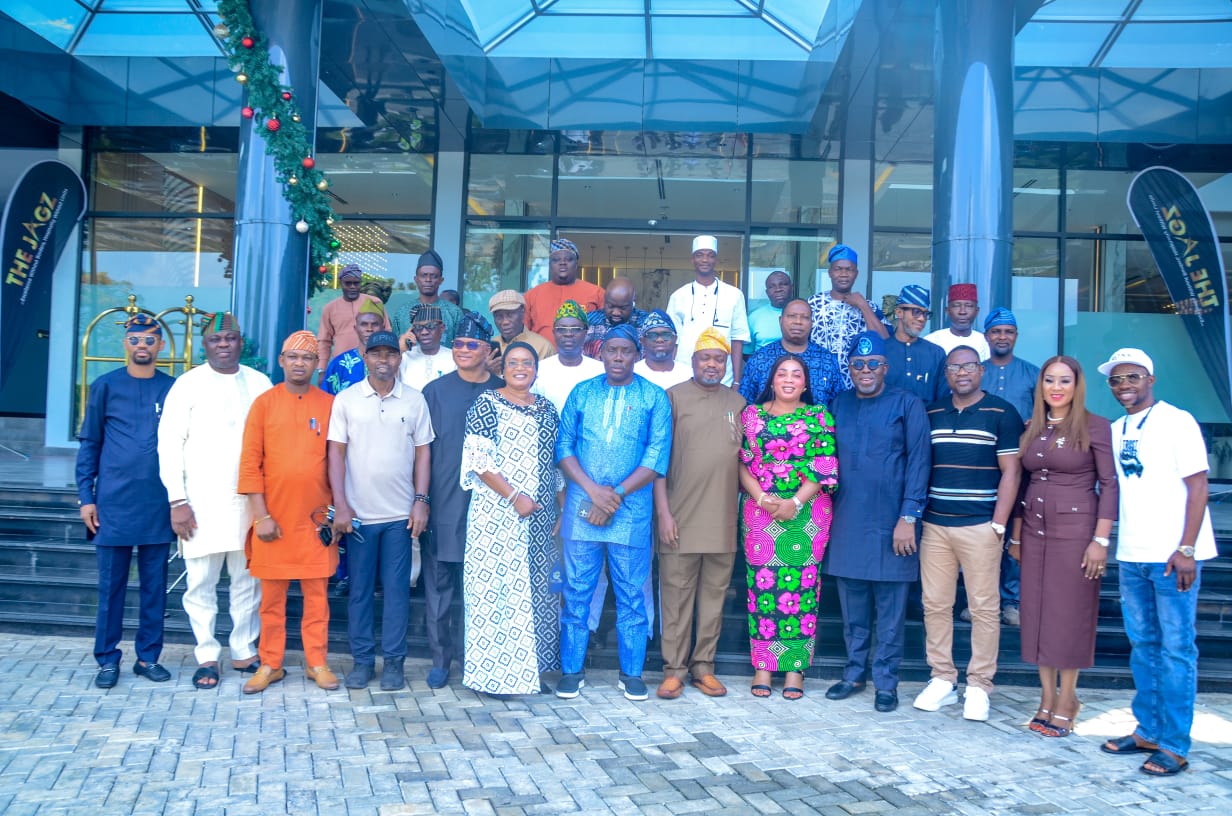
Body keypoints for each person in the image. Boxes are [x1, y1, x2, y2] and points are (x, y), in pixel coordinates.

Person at [1098, 348, 1217, 777]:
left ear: (1150, 379)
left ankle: (1174, 745)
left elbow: (1198, 487)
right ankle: (1148, 731)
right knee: (1144, 647)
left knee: (1177, 650)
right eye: (1116, 379)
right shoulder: (1115, 429)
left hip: (1172, 556)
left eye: (1132, 376)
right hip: (1132, 554)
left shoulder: (1177, 421)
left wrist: (1187, 548)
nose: (1124, 385)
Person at [555, 325, 672, 702]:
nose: (618, 357)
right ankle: (572, 670)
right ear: (600, 353)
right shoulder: (582, 392)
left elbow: (656, 456)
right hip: (582, 507)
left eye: (625, 351)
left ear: (638, 354)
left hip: (631, 510)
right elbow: (563, 447)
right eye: (611, 350)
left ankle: (631, 673)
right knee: (576, 592)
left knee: (632, 595)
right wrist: (594, 492)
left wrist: (615, 495)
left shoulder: (654, 397)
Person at [158, 312, 272, 690]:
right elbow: (169, 445)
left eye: (230, 338)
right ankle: (207, 654)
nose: (223, 344)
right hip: (200, 503)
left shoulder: (259, 383)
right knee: (201, 582)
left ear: (240, 341)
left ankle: (243, 649)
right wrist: (177, 500)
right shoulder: (187, 385)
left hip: (249, 501)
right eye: (215, 339)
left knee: (247, 580)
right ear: (205, 345)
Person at [1008, 356, 1116, 736]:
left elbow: (1110, 484)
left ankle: (1068, 699)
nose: (1056, 388)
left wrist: (1100, 540)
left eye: (1065, 381)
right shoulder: (1033, 428)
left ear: (1077, 385)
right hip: (1034, 531)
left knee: (1068, 617)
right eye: (1049, 380)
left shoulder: (1095, 426)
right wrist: (1016, 536)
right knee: (1037, 614)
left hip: (1076, 533)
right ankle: (1046, 697)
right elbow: (1022, 484)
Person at [913, 346, 1021, 720]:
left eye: (969, 366)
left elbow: (1012, 472)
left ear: (981, 370)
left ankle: (979, 685)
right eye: (954, 367)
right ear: (946, 373)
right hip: (936, 525)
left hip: (980, 526)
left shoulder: (1003, 413)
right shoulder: (933, 412)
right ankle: (942, 678)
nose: (962, 372)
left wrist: (999, 524)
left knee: (984, 609)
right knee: (935, 604)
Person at [824, 331, 930, 713]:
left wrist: (909, 517)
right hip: (848, 520)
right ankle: (854, 674)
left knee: (890, 611)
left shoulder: (907, 404)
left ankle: (886, 682)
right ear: (850, 369)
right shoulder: (839, 404)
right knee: (852, 607)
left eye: (873, 364)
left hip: (892, 523)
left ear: (885, 367)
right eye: (858, 364)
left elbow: (919, 462)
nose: (865, 370)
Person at [327, 330, 434, 691]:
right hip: (358, 517)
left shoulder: (414, 400)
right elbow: (336, 453)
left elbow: (423, 452)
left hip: (399, 517)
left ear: (399, 359)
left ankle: (393, 663)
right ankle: (361, 662)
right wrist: (341, 504)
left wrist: (420, 501)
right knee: (359, 592)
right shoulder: (346, 400)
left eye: (390, 354)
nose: (383, 360)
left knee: (396, 592)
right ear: (365, 357)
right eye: (376, 354)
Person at [237, 331, 341, 694]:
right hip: (273, 521)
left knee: (318, 600)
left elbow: (340, 464)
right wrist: (261, 516)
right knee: (271, 602)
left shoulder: (330, 405)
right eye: (293, 357)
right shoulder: (264, 404)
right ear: (281, 361)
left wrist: (334, 514)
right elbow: (250, 463)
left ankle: (317, 662)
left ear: (316, 364)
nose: (300, 363)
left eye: (307, 358)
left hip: (316, 522)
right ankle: (270, 663)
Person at [76, 313, 176, 689]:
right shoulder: (105, 385)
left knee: (154, 588)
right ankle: (107, 659)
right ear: (125, 344)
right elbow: (90, 444)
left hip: (157, 503)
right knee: (111, 588)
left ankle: (148, 657)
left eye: (149, 340)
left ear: (160, 346)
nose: (142, 346)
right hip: (113, 504)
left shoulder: (173, 388)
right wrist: (86, 498)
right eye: (135, 339)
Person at [460, 343, 564, 696]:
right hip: (497, 518)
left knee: (537, 594)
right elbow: (479, 461)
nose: (520, 368)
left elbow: (555, 464)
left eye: (527, 363)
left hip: (540, 520)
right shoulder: (487, 404)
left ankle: (528, 675)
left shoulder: (547, 409)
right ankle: (493, 677)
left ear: (536, 369)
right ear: (502, 369)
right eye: (513, 363)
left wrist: (562, 509)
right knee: (497, 593)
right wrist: (515, 497)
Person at [739, 355, 839, 700]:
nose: (789, 379)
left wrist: (794, 502)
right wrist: (762, 498)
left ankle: (795, 668)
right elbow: (741, 462)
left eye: (796, 375)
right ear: (772, 380)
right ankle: (763, 666)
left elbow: (825, 464)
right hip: (760, 510)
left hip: (808, 512)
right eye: (782, 373)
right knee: (762, 588)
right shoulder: (751, 415)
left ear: (805, 383)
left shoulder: (819, 415)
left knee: (803, 588)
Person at [654, 328, 746, 700]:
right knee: (676, 600)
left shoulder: (739, 403)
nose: (712, 364)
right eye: (705, 358)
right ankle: (673, 670)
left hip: (722, 520)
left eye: (719, 359)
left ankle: (703, 668)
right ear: (692, 361)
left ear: (726, 365)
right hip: (679, 518)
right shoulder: (673, 398)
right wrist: (663, 514)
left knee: (713, 600)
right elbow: (657, 462)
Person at [421, 312, 505, 688]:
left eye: (472, 344)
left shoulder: (504, 391)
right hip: (443, 502)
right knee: (440, 588)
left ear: (488, 350)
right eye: (457, 344)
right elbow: (420, 451)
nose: (463, 350)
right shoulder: (434, 392)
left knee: (484, 590)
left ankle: (480, 661)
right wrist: (421, 499)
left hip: (491, 507)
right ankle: (441, 661)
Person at [978, 306, 1040, 628]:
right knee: (982, 533)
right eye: (996, 331)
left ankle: (1012, 600)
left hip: (1020, 467)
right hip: (980, 467)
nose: (1002, 337)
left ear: (1016, 336)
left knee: (1015, 532)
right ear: (986, 336)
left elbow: (1047, 415)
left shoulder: (1033, 374)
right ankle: (981, 599)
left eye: (1008, 332)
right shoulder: (977, 372)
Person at [665, 235, 750, 387]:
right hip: (684, 372)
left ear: (715, 260)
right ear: (693, 260)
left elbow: (737, 339)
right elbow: (672, 340)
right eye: (700, 255)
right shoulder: (678, 296)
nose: (705, 260)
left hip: (723, 376)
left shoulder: (734, 295)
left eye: (710, 255)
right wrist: (670, 376)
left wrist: (736, 381)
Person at [807, 244, 890, 391]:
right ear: (830, 272)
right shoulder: (813, 304)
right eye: (838, 269)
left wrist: (863, 306)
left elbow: (885, 341)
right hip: (818, 386)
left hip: (856, 389)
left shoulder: (870, 306)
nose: (843, 274)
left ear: (856, 273)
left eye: (849, 269)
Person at [740, 298, 842, 407]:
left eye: (805, 317)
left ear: (811, 323)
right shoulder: (760, 358)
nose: (798, 321)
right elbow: (744, 403)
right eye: (792, 316)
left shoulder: (827, 360)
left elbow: (839, 405)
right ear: (780, 320)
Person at [315, 263, 389, 379]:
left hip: (372, 364)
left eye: (356, 283)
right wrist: (322, 370)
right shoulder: (330, 308)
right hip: (342, 365)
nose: (352, 287)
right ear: (341, 283)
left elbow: (387, 332)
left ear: (360, 283)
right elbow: (324, 341)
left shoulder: (374, 303)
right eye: (348, 283)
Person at [532, 300, 604, 414]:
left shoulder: (600, 371)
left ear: (586, 332)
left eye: (575, 329)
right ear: (554, 332)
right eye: (561, 329)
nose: (568, 334)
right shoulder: (539, 370)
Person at [524, 237, 605, 336]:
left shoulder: (597, 293)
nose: (562, 263)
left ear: (576, 264)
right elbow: (523, 333)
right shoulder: (531, 296)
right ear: (550, 265)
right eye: (556, 260)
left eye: (568, 259)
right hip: (539, 346)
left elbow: (606, 329)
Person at [884, 285, 947, 404]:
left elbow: (942, 401)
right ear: (899, 312)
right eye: (916, 312)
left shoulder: (936, 353)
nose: (922, 319)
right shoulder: (881, 351)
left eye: (925, 314)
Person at [390, 250, 465, 345]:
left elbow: (461, 346)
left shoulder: (454, 312)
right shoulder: (402, 312)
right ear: (416, 279)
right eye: (423, 275)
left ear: (441, 280)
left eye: (433, 276)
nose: (428, 280)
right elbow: (394, 347)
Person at [321, 298, 386, 396]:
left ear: (383, 328)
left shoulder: (391, 363)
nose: (369, 329)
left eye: (374, 324)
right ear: (356, 329)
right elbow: (327, 399)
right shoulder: (339, 363)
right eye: (364, 324)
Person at [487, 290, 555, 376]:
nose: (505, 322)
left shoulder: (543, 347)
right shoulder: (489, 348)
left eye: (510, 315)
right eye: (499, 316)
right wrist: (486, 372)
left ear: (523, 311)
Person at [583, 277, 647, 359]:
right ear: (605, 301)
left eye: (622, 308)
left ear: (632, 303)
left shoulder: (646, 323)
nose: (615, 313)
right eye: (610, 306)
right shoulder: (589, 320)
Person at [398, 303, 457, 391]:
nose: (424, 332)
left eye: (430, 326)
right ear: (412, 331)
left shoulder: (454, 358)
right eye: (418, 327)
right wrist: (399, 350)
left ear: (442, 328)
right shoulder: (404, 356)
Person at [924, 283, 990, 360]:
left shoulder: (986, 343)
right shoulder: (931, 341)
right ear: (947, 310)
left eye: (968, 306)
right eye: (956, 306)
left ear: (977, 311)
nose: (962, 312)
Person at [633, 310, 692, 390]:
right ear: (643, 341)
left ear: (675, 339)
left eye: (666, 335)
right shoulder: (633, 374)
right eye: (652, 335)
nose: (659, 340)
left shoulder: (689, 375)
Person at [747, 270, 792, 353]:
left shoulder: (803, 315)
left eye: (783, 284)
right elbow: (747, 353)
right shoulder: (754, 317)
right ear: (767, 292)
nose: (778, 289)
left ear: (792, 287)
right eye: (772, 286)